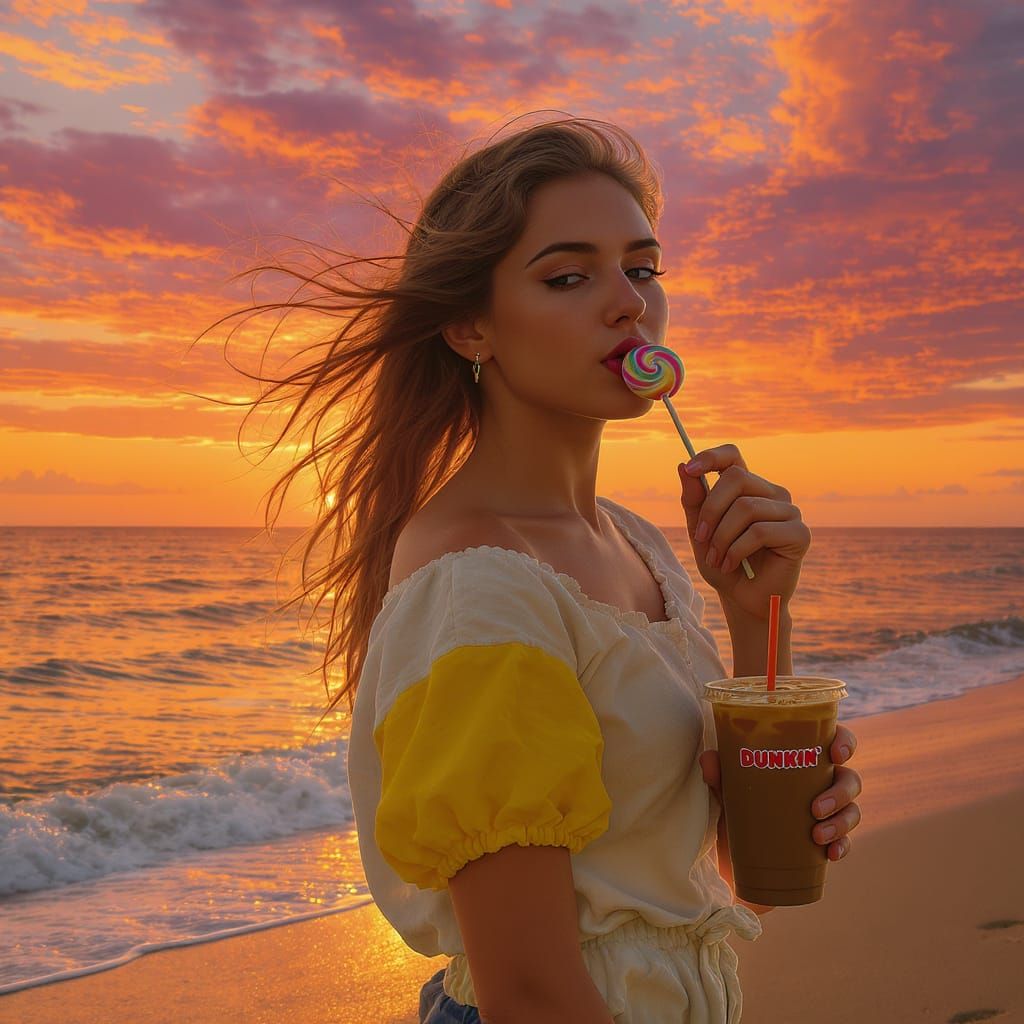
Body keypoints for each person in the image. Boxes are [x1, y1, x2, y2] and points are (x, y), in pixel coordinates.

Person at [214, 113, 863, 1023]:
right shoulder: (480, 584)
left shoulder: (638, 547)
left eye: (642, 269)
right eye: (568, 275)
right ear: (472, 327)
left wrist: (758, 622)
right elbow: (530, 992)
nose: (628, 302)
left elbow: (724, 886)